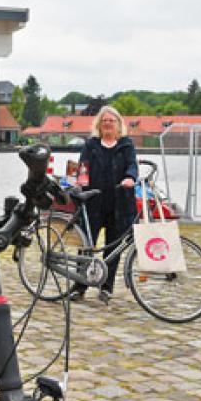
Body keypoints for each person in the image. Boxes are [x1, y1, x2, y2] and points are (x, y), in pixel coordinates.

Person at [73, 105, 138, 303]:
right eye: (104, 121)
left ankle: (107, 287)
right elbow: (83, 166)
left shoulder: (126, 144)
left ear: (118, 124)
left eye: (112, 121)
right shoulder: (91, 145)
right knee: (86, 245)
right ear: (99, 125)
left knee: (113, 247)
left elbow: (132, 165)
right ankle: (79, 286)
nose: (108, 124)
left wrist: (130, 178)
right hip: (94, 201)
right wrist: (81, 180)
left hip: (119, 203)